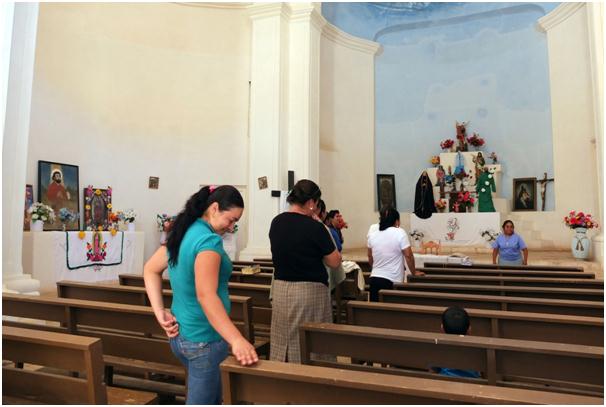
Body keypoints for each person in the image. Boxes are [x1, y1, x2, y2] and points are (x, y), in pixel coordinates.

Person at [144, 185, 258, 404]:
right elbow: (206, 295)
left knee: (212, 398)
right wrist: (236, 340)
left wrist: (160, 312)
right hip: (203, 339)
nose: (232, 227)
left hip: (181, 336)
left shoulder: (184, 231)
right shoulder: (209, 241)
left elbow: (150, 269)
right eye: (231, 219)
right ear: (214, 208)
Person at [269, 179, 341, 363]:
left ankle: (282, 376)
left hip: (280, 290)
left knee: (282, 339)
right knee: (310, 344)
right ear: (310, 202)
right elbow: (334, 261)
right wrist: (321, 226)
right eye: (316, 204)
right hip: (308, 292)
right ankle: (311, 379)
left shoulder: (276, 222)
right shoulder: (315, 227)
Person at [367, 207, 424, 302]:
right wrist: (413, 272)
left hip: (374, 279)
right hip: (392, 280)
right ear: (397, 221)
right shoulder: (399, 232)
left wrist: (376, 269)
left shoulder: (372, 235)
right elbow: (408, 256)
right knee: (392, 314)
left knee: (376, 313)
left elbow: (370, 256)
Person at [431, 307, 481, 378]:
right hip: (472, 385)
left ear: (442, 328)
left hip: (444, 383)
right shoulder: (477, 348)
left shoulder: (438, 348)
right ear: (469, 329)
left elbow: (433, 372)